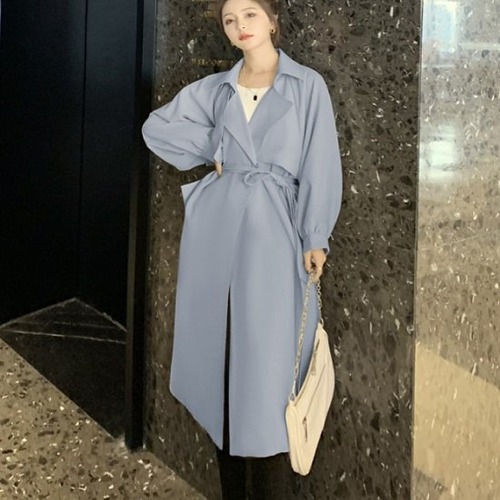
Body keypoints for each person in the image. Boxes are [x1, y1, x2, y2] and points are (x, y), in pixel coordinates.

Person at [142, 0, 342, 497]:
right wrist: (212, 146)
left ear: (272, 20)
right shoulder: (217, 89)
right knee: (221, 361)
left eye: (249, 14)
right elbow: (155, 128)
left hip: (276, 235)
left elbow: (320, 161)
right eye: (230, 20)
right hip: (216, 235)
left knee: (271, 373)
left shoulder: (306, 86)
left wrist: (315, 235)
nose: (239, 26)